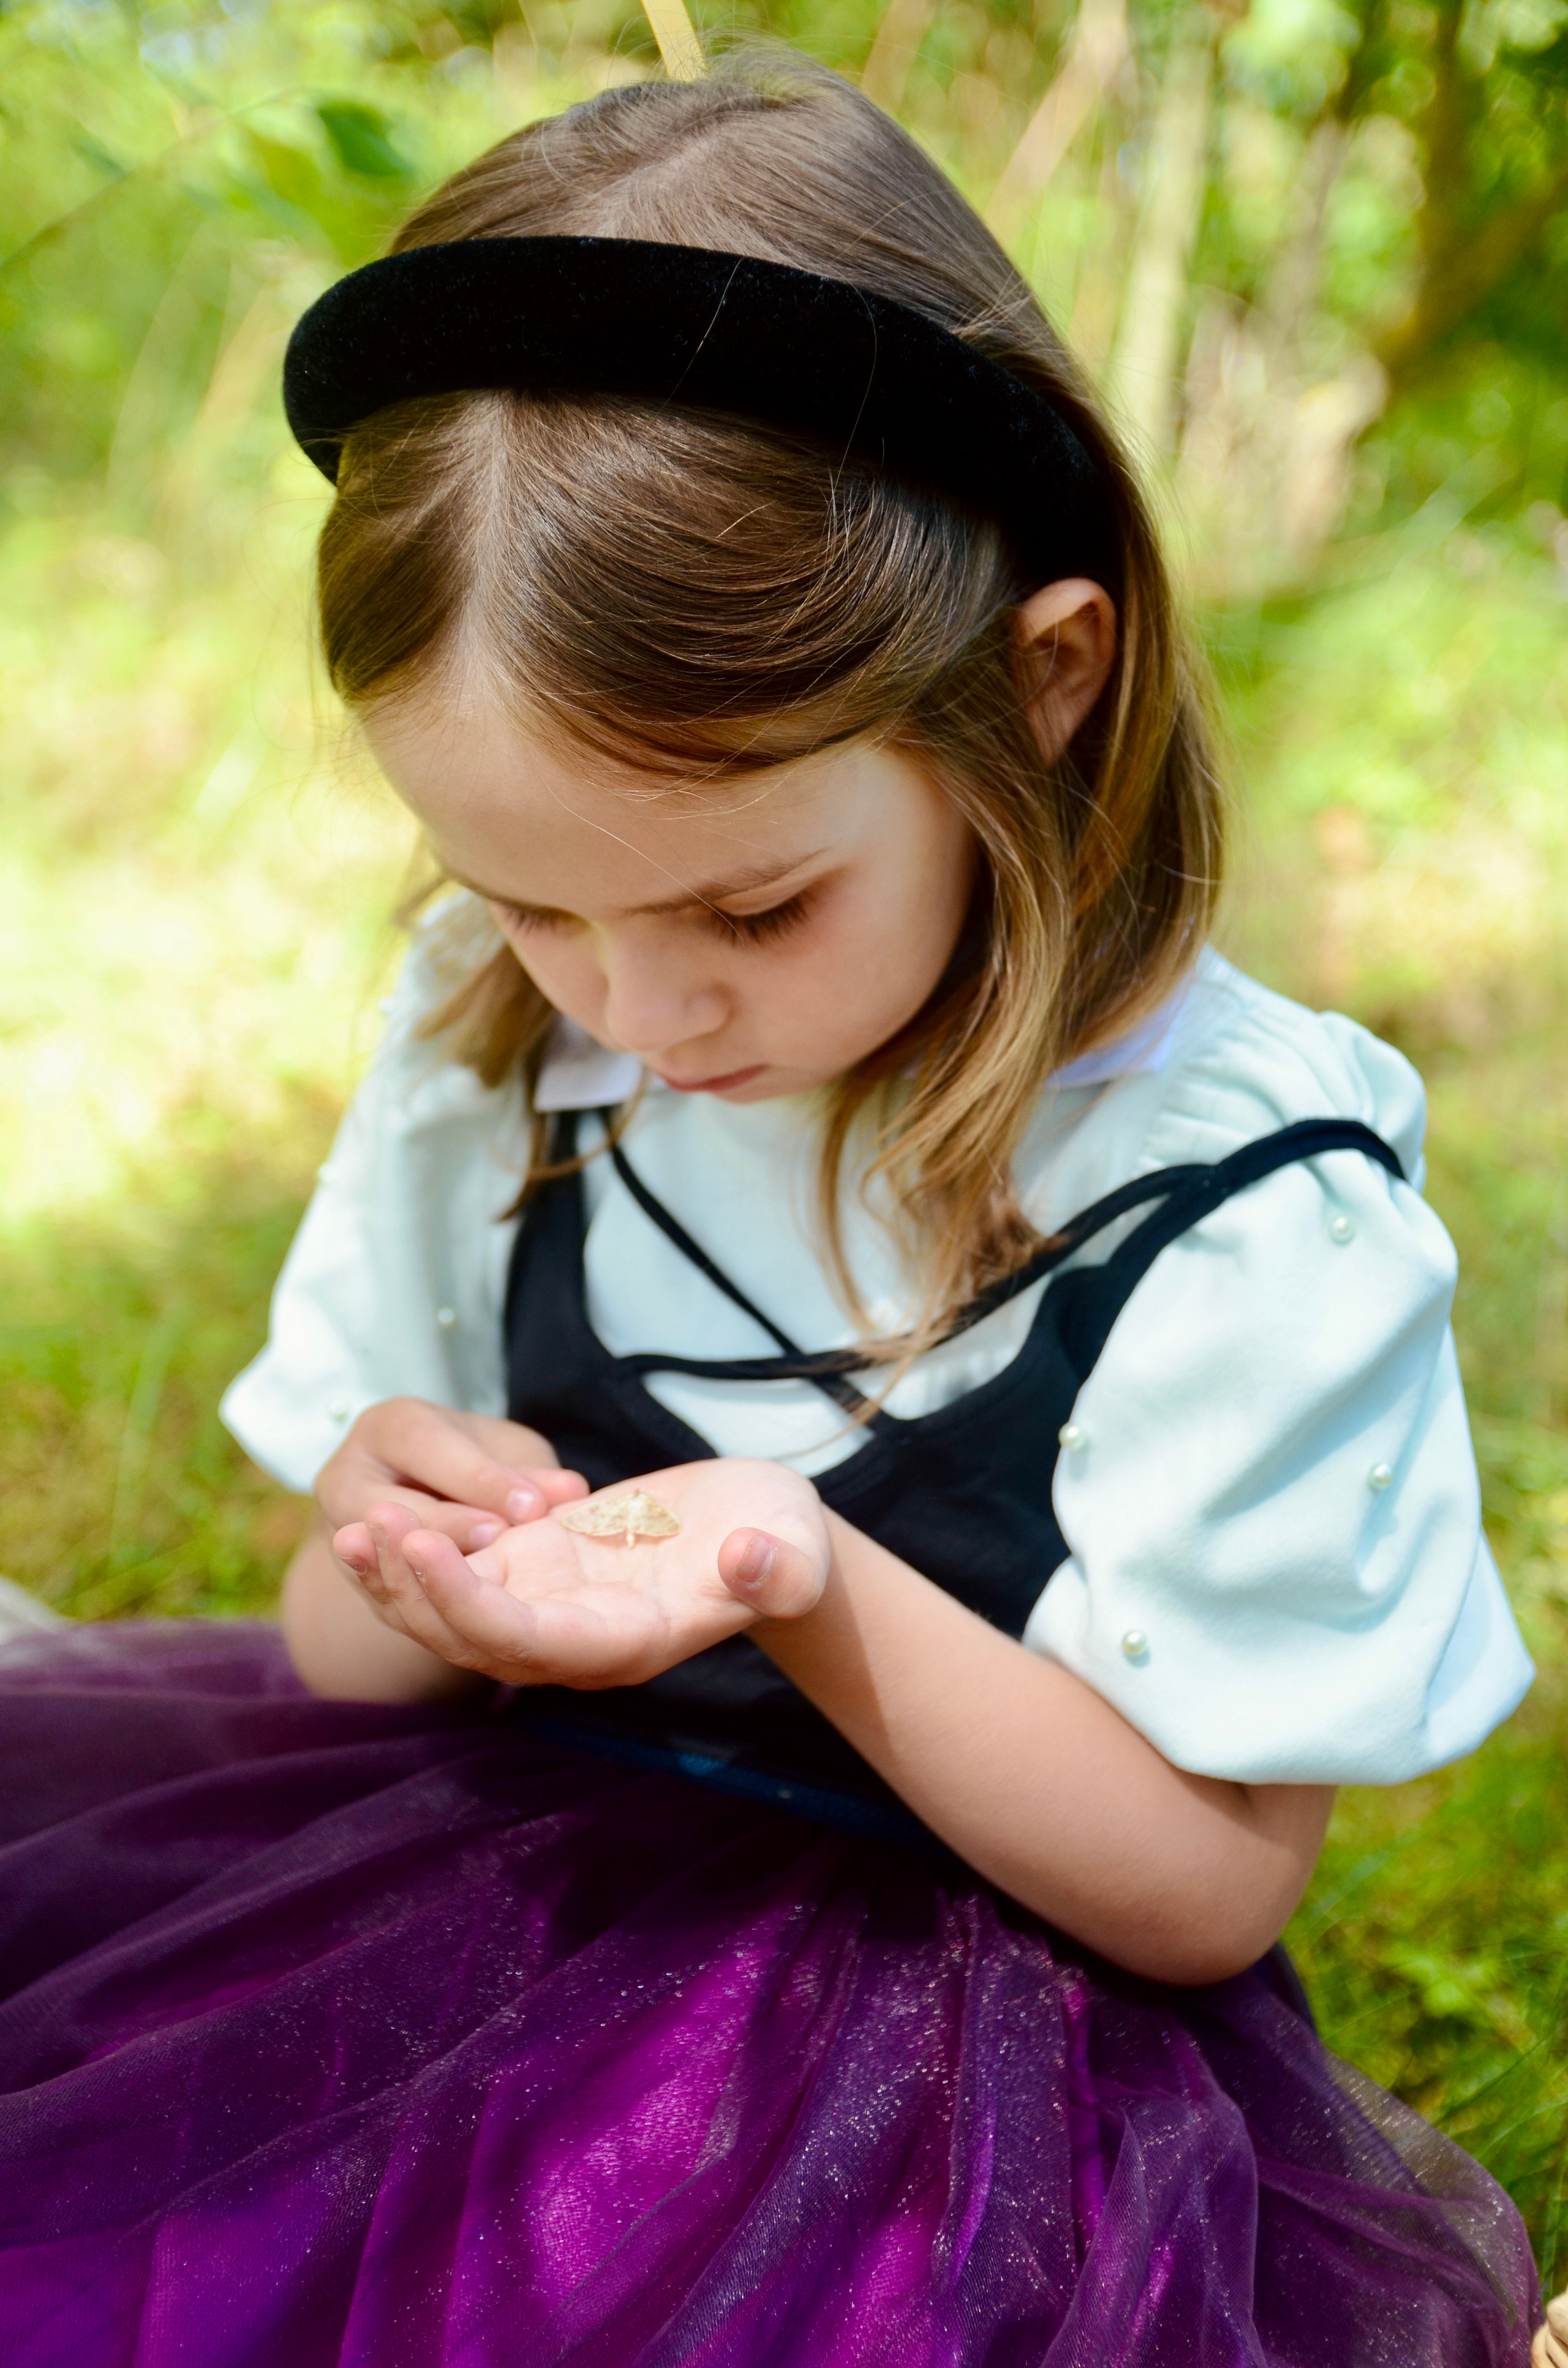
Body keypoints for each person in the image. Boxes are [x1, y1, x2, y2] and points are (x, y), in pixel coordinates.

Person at [0, 54, 1545, 2368]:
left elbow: (1207, 1888)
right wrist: (410, 1554)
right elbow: (339, 1662)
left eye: (754, 903)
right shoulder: (496, 1025)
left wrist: (795, 1573)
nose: (644, 1002)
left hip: (931, 2049)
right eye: (535, 902)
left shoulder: (1236, 1197)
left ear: (1045, 683)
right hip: (425, 1893)